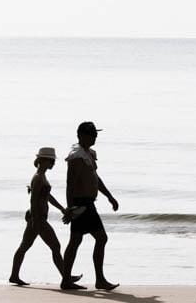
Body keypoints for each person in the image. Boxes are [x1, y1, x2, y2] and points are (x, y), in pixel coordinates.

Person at [9, 147, 81, 286]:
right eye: (51, 161)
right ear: (43, 160)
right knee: (55, 246)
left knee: (24, 246)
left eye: (53, 161)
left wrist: (61, 209)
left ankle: (14, 275)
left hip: (36, 218)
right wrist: (36, 221)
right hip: (38, 219)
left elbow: (47, 196)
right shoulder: (38, 178)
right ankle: (66, 278)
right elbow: (34, 200)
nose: (53, 163)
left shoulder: (42, 176)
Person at [61, 121, 120, 291]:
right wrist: (70, 208)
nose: (95, 137)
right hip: (81, 204)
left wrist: (109, 196)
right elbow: (70, 183)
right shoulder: (77, 156)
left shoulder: (88, 154)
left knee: (76, 241)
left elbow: (95, 178)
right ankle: (98, 280)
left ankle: (68, 280)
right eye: (91, 134)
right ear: (81, 136)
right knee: (99, 238)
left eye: (95, 134)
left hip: (87, 203)